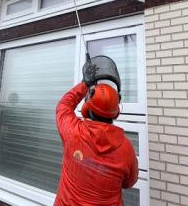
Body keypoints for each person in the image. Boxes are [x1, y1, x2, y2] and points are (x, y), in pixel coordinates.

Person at [54, 76, 138, 205]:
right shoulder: (126, 149)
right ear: (115, 111)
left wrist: (84, 84)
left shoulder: (73, 132)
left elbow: (63, 106)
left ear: (88, 107)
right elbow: (129, 182)